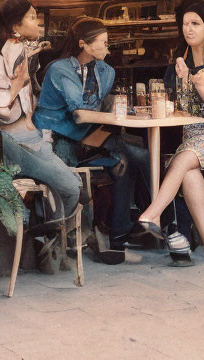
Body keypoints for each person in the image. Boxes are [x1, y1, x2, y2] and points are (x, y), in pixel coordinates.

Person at [135, 0, 204, 261]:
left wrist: (198, 85)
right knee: (187, 167)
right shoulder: (181, 64)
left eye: (195, 23)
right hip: (193, 139)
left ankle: (151, 214)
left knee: (183, 158)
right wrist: (184, 79)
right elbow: (186, 112)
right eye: (185, 24)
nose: (189, 29)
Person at [33, 17, 154, 255]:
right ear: (84, 44)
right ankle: (153, 218)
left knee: (132, 159)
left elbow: (97, 109)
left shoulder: (106, 71)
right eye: (102, 42)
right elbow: (79, 113)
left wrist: (113, 116)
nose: (108, 47)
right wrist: (116, 118)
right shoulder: (59, 69)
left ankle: (123, 232)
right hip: (55, 136)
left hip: (87, 137)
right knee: (134, 157)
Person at [0, 0, 83, 221]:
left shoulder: (24, 54)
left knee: (73, 187)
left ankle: (49, 238)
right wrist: (14, 88)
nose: (39, 24)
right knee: (68, 188)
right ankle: (38, 239)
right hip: (8, 146)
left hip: (36, 141)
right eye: (33, 18)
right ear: (16, 26)